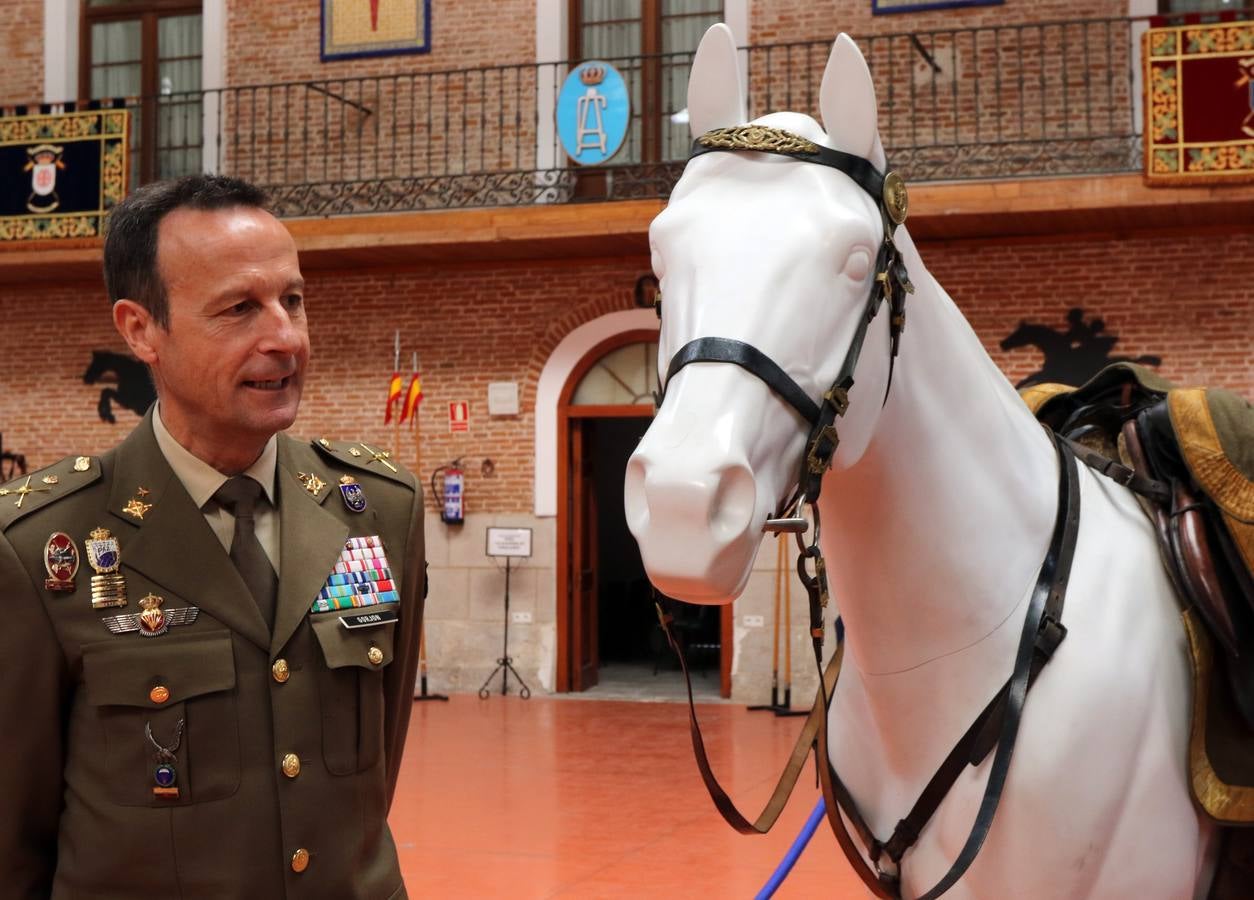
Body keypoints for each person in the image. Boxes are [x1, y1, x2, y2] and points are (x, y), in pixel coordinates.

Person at [0, 174, 425, 898]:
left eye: (292, 300)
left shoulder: (380, 510)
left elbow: (373, 774)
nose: (286, 337)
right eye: (240, 309)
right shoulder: (42, 546)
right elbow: (14, 838)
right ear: (141, 330)